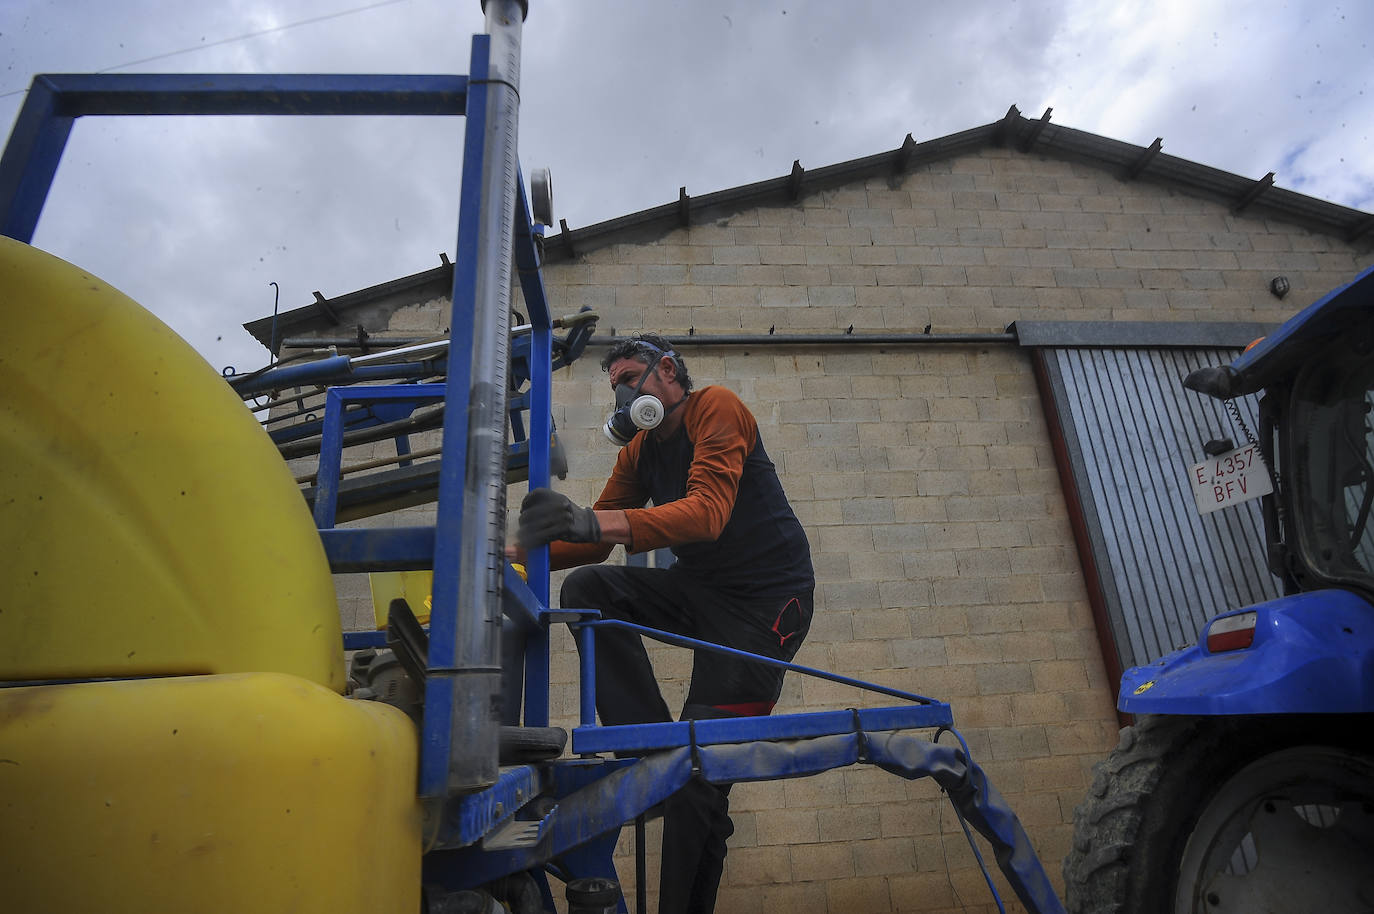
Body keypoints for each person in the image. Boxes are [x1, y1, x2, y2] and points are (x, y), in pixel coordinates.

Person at [513, 333, 814, 914]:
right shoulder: (641, 450)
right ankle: (652, 749)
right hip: (701, 592)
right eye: (616, 387)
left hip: (764, 608)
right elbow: (594, 543)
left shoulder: (717, 408)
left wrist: (589, 523)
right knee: (588, 589)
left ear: (668, 371)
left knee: (701, 776)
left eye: (630, 378)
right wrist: (518, 551)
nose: (624, 396)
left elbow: (706, 515)